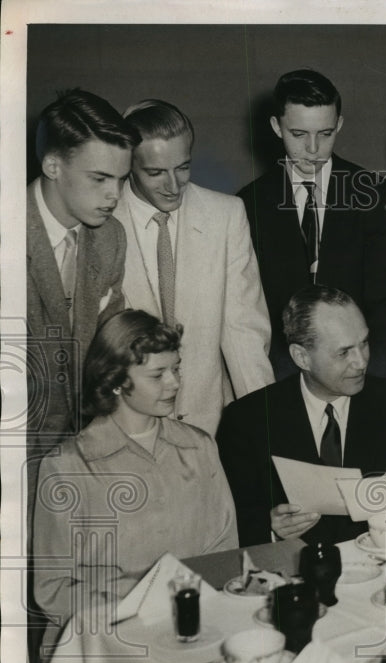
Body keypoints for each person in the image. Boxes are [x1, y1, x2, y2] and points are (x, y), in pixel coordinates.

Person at [32, 310, 238, 640]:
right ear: (115, 381)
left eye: (176, 368)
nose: (175, 382)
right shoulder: (67, 467)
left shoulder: (199, 446)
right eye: (157, 375)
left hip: (195, 624)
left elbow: (226, 552)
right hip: (105, 638)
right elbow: (52, 590)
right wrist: (139, 604)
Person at [216, 285, 386, 548]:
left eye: (364, 343)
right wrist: (272, 528)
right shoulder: (246, 420)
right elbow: (231, 523)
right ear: (301, 357)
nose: (361, 362)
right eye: (344, 352)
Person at [116, 99, 273, 435]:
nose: (174, 186)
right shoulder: (101, 219)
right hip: (125, 425)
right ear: (129, 163)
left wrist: (266, 425)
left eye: (183, 167)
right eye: (156, 172)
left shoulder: (226, 215)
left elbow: (244, 334)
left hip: (210, 426)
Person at [238, 69, 386, 381]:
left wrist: (372, 383)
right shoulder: (247, 205)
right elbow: (251, 316)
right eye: (299, 134)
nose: (313, 150)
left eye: (325, 134)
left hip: (361, 375)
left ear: (339, 124)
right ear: (277, 127)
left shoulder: (373, 193)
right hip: (283, 379)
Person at [27, 89, 139, 459]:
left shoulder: (111, 238)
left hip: (80, 444)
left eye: (121, 180)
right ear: (52, 166)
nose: (114, 196)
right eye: (100, 179)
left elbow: (109, 342)